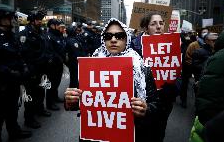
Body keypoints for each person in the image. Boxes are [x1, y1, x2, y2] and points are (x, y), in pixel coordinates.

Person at [64, 18, 160, 141]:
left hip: (132, 134)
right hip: (95, 136)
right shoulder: (90, 66)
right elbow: (82, 101)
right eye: (108, 36)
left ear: (127, 39)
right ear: (103, 39)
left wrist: (146, 109)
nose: (113, 40)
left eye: (119, 36)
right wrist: (70, 101)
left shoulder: (142, 68)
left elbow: (156, 104)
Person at [0, 7, 32, 142]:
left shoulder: (12, 35)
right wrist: (7, 71)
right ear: (0, 20)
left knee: (13, 110)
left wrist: (24, 67)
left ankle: (14, 131)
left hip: (14, 81)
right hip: (0, 83)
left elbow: (18, 54)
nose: (12, 20)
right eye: (9, 18)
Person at [190, 23, 224, 142]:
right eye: (213, 39)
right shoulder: (198, 49)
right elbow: (208, 107)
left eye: (216, 39)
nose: (215, 41)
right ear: (208, 40)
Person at [131, 12, 178, 142]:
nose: (159, 27)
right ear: (146, 28)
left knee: (159, 133)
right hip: (143, 102)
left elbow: (178, 74)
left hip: (164, 101)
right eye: (153, 24)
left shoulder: (172, 45)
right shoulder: (133, 46)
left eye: (161, 23)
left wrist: (173, 87)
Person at [18, 11, 52, 129]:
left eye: (41, 19)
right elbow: (23, 53)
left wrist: (48, 58)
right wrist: (28, 69)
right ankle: (29, 119)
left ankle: (40, 110)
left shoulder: (42, 32)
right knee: (30, 96)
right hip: (32, 70)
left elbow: (46, 47)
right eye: (38, 20)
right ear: (32, 21)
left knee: (41, 91)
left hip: (42, 69)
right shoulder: (24, 34)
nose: (40, 21)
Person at [46, 19, 67, 110]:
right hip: (53, 65)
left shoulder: (58, 35)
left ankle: (55, 97)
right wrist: (58, 58)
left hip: (59, 63)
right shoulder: (49, 36)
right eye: (57, 25)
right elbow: (51, 51)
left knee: (57, 82)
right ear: (52, 26)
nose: (59, 27)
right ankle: (50, 103)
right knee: (52, 84)